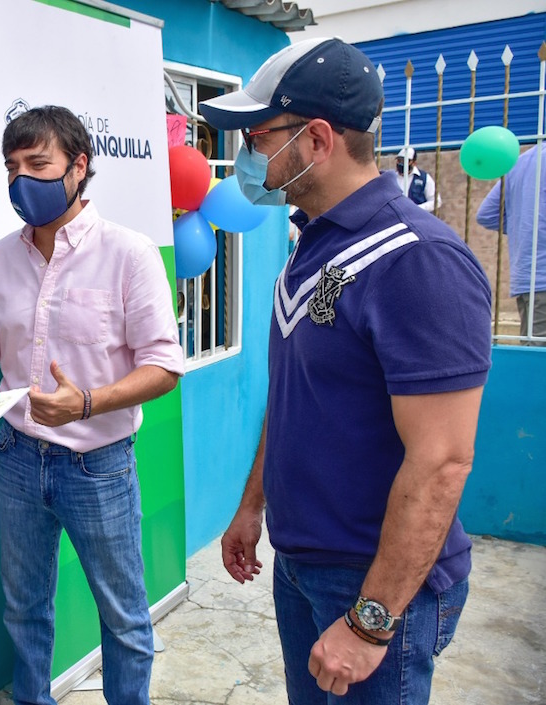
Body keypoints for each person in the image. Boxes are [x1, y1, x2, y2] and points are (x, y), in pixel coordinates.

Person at [199, 37, 492, 703]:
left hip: (369, 581)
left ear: (317, 138)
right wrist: (253, 503)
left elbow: (442, 460)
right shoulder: (313, 241)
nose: (245, 154)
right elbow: (297, 394)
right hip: (303, 564)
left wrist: (370, 621)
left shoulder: (416, 259)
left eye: (257, 136)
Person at [0, 106, 185, 705]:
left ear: (78, 166)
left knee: (123, 616)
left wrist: (87, 403)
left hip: (99, 466)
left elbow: (164, 366)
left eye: (38, 164)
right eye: (12, 167)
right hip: (17, 457)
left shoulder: (129, 253)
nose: (22, 179)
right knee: (24, 608)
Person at [476, 141, 546, 344]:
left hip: (526, 277)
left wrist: (522, 228)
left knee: (532, 351)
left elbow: (486, 214)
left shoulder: (521, 160)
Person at [394, 147, 440, 212]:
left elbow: (436, 201)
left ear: (414, 163)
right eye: (399, 160)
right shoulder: (392, 178)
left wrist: (417, 209)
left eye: (405, 161)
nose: (401, 163)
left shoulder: (424, 178)